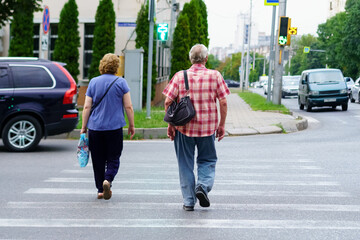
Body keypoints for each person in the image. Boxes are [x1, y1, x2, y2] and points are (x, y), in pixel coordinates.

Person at [163, 44, 230, 211]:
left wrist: (171, 125)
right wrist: (221, 125)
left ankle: (188, 201)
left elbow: (167, 102)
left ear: (190, 59)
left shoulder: (179, 76)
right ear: (206, 59)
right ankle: (203, 185)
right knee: (207, 160)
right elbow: (223, 101)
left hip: (183, 128)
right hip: (207, 129)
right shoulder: (215, 76)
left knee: (185, 164)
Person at [81, 53, 135, 200]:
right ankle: (108, 179)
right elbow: (128, 106)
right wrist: (131, 124)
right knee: (113, 157)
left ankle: (100, 189)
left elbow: (86, 107)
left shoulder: (93, 82)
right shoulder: (121, 82)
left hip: (95, 128)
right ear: (116, 67)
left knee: (98, 159)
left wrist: (83, 127)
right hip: (114, 128)